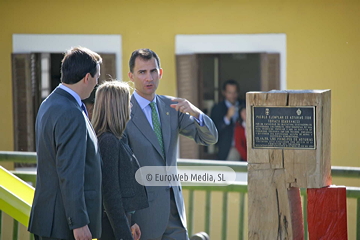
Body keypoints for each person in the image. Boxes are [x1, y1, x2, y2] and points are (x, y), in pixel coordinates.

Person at [125, 48, 218, 240]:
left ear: (160, 73)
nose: (148, 77)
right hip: (142, 218)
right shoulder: (123, 112)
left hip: (175, 214)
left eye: (152, 71)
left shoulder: (172, 107)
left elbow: (209, 138)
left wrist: (195, 112)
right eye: (142, 72)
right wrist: (127, 218)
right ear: (131, 76)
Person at [28, 47, 102, 240]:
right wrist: (78, 222)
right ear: (87, 78)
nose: (97, 83)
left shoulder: (48, 103)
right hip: (64, 225)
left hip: (48, 220)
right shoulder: (71, 112)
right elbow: (70, 172)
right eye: (97, 78)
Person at [92, 80, 149, 240]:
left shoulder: (117, 137)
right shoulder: (108, 141)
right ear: (118, 107)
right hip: (110, 229)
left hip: (119, 222)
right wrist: (124, 234)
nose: (131, 107)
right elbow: (111, 195)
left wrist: (130, 223)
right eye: (128, 102)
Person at [210, 79, 244, 160]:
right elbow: (213, 130)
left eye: (235, 92)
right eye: (229, 92)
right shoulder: (217, 108)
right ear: (224, 93)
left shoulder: (244, 104)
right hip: (228, 148)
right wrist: (227, 117)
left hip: (245, 146)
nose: (233, 95)